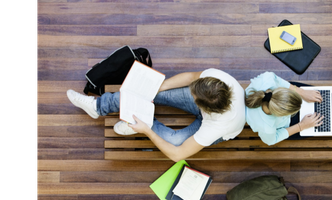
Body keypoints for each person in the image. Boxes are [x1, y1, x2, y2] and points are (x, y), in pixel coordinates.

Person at [67, 68, 246, 162]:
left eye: (193, 95)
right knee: (148, 92)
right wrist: (159, 88)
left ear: (201, 105)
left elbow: (178, 154)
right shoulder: (216, 79)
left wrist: (147, 131)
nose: (190, 93)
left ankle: (142, 124)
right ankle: (97, 106)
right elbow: (191, 76)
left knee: (175, 141)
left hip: (219, 128)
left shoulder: (216, 127)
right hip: (213, 109)